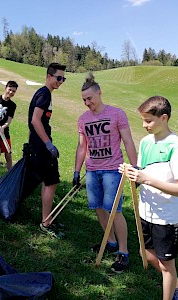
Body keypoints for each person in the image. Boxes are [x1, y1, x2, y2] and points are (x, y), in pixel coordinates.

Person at [119, 96, 178, 299]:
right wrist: (132, 173)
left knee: (166, 266)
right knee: (145, 254)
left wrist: (146, 179)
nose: (144, 125)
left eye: (148, 121)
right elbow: (142, 172)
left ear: (164, 118)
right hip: (146, 213)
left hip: (166, 217)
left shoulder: (176, 146)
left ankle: (171, 294)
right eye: (143, 120)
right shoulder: (146, 142)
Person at [73, 72, 137, 273]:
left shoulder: (117, 114)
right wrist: (76, 171)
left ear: (99, 93)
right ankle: (110, 243)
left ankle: (123, 252)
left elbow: (128, 142)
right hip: (92, 170)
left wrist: (135, 169)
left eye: (89, 98)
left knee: (114, 210)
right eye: (84, 99)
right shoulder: (83, 119)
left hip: (113, 169)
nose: (87, 103)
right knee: (98, 207)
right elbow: (82, 147)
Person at [28, 62, 66, 239]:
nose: (61, 81)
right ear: (49, 76)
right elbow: (35, 120)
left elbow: (34, 121)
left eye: (63, 79)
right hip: (42, 147)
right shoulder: (44, 94)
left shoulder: (44, 93)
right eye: (59, 78)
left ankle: (47, 218)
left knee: (48, 181)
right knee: (51, 181)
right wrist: (47, 144)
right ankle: (46, 222)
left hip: (38, 145)